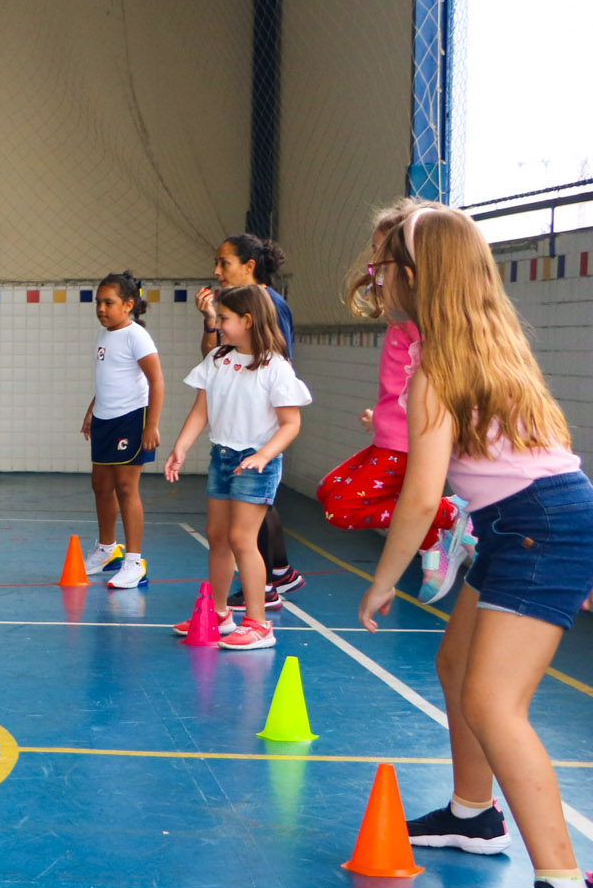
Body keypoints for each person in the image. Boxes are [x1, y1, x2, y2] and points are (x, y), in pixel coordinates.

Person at [355, 201, 593, 888]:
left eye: (383, 265)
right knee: (456, 663)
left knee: (494, 701)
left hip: (538, 528)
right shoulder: (487, 346)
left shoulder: (437, 370)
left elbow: (422, 494)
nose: (376, 277)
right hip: (525, 523)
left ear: (416, 275)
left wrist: (384, 579)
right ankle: (473, 814)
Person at [317, 202, 475, 602]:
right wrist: (384, 417)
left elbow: (433, 390)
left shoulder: (421, 320)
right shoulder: (401, 318)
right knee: (328, 490)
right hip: (388, 436)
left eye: (381, 257)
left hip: (403, 446)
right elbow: (401, 385)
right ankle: (441, 524)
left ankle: (447, 518)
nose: (373, 267)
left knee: (341, 509)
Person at [164, 284, 311, 650]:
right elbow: (201, 410)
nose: (218, 324)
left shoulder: (276, 367)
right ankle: (219, 614)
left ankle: (259, 623)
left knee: (242, 539)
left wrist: (263, 455)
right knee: (217, 535)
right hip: (223, 457)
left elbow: (291, 424)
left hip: (256, 462)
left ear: (248, 321)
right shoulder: (218, 359)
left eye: (224, 318)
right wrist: (181, 446)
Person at [196, 234, 302, 607]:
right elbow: (213, 358)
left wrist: (266, 446)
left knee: (249, 521)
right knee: (234, 527)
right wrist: (211, 322)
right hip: (230, 444)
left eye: (224, 262)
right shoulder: (232, 311)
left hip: (258, 438)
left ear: (249, 266)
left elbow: (280, 361)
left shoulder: (270, 306)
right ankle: (277, 574)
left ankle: (268, 585)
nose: (217, 270)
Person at [80, 271, 164, 590]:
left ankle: (134, 562)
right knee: (101, 485)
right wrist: (92, 411)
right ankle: (107, 550)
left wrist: (151, 424)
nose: (101, 308)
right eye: (98, 302)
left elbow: (156, 381)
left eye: (108, 302)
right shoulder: (104, 334)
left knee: (126, 488)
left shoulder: (136, 336)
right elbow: (107, 378)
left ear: (128, 305)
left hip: (130, 419)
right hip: (104, 419)